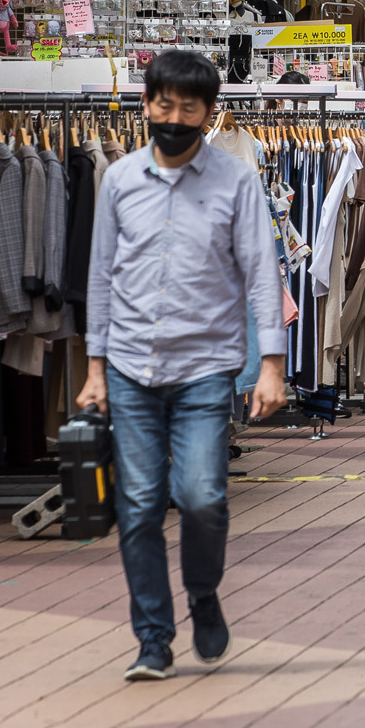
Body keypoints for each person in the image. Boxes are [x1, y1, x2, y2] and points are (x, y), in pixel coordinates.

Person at [77, 50, 285, 681]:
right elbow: (100, 278)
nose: (172, 117)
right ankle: (152, 638)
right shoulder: (119, 180)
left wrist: (271, 365)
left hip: (205, 367)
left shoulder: (236, 181)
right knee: (138, 505)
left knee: (201, 496)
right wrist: (94, 368)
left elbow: (262, 273)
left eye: (187, 108)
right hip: (130, 368)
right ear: (146, 105)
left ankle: (202, 592)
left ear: (208, 112)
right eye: (162, 105)